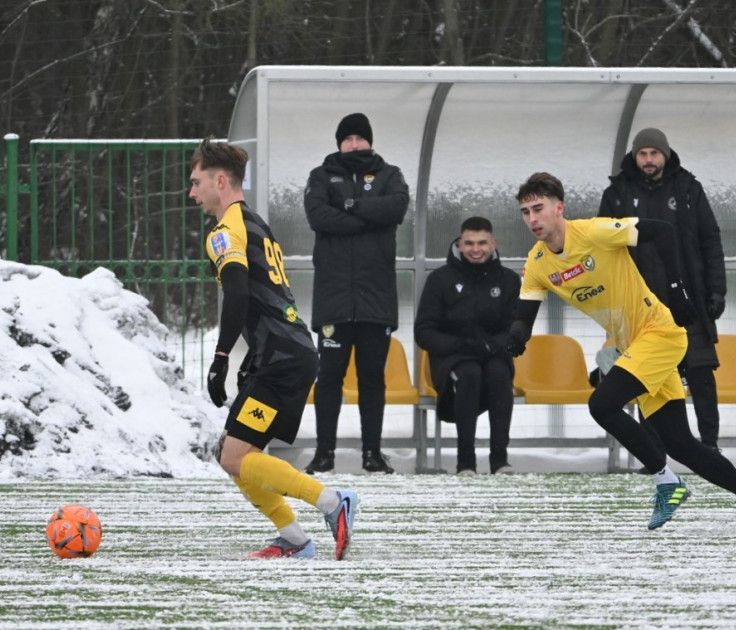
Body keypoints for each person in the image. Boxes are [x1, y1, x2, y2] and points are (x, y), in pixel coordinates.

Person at [508, 172, 736, 531]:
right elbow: (523, 318)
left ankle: (665, 481)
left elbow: (662, 232)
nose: (532, 219)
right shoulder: (538, 264)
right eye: (525, 212)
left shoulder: (593, 232)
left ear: (559, 208)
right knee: (681, 444)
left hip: (660, 335)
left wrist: (676, 290)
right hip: (635, 347)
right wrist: (514, 338)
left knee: (601, 404)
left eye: (538, 209)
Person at [191, 138, 357, 560]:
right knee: (232, 451)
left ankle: (331, 501)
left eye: (196, 183)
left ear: (221, 180)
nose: (192, 193)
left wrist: (222, 357)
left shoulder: (225, 230)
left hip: (282, 357)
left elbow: (240, 293)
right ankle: (294, 540)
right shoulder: (255, 223)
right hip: (284, 352)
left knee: (234, 456)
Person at [598, 128, 727, 454]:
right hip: (640, 303)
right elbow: (602, 246)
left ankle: (709, 445)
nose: (649, 160)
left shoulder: (687, 189)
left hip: (688, 298)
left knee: (701, 373)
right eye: (643, 154)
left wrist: (717, 290)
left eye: (654, 153)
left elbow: (710, 239)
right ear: (635, 156)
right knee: (648, 376)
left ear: (665, 155)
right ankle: (653, 450)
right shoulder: (618, 193)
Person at [302, 113, 410, 475]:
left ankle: (372, 453)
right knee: (329, 377)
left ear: (369, 141)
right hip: (333, 299)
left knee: (372, 379)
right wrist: (368, 219)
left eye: (359, 138)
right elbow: (317, 215)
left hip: (376, 299)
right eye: (346, 138)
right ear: (338, 143)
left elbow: (395, 207)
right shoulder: (321, 175)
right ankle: (324, 453)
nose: (353, 144)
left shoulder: (389, 174)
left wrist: (348, 206)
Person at [415, 216, 520, 475]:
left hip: (493, 353)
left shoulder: (508, 280)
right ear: (459, 244)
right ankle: (465, 462)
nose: (476, 249)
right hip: (453, 357)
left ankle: (500, 460)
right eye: (469, 243)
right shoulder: (440, 279)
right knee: (469, 374)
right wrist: (460, 345)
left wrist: (492, 345)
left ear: (493, 243)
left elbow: (516, 328)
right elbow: (424, 332)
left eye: (482, 242)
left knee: (499, 373)